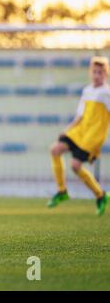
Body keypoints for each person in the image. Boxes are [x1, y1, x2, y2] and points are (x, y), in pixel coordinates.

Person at [48, 56, 110, 216]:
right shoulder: (87, 90)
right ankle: (62, 191)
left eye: (100, 72)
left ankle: (101, 195)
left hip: (93, 135)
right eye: (94, 72)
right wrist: (67, 130)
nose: (97, 75)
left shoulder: (106, 93)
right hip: (80, 130)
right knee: (55, 149)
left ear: (106, 74)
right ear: (91, 73)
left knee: (75, 166)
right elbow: (79, 116)